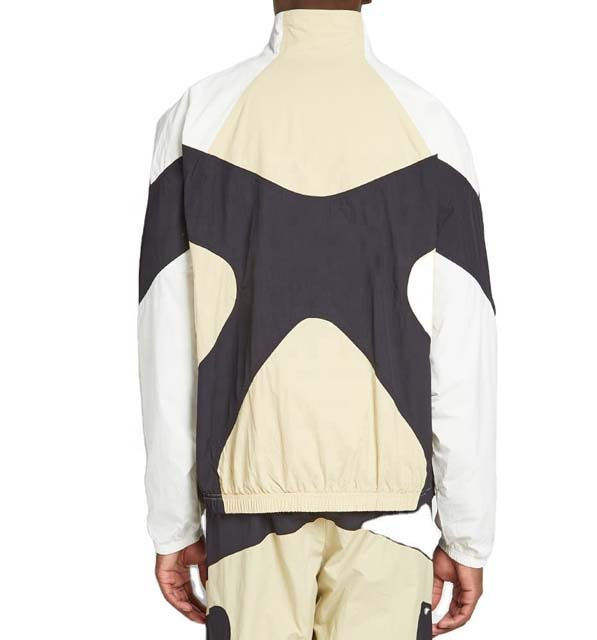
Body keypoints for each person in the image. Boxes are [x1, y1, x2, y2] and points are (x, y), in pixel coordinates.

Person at [138, 0, 496, 637]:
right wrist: (468, 532)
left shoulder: (197, 119)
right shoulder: (432, 126)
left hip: (246, 505)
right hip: (391, 515)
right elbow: (463, 354)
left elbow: (167, 340)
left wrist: (173, 522)